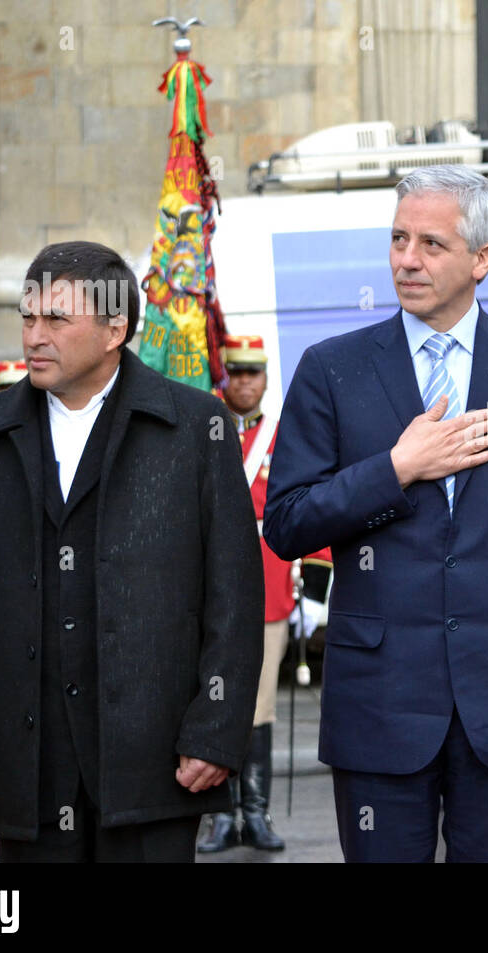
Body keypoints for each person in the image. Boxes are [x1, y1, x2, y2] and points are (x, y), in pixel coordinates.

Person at [263, 165, 488, 863]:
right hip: (378, 703)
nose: (406, 259)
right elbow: (287, 521)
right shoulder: (332, 369)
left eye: (430, 243)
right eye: (397, 239)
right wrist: (395, 469)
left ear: (482, 259)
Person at [0, 240, 264, 862]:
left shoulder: (196, 429)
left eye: (56, 319)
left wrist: (216, 729)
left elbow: (234, 598)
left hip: (156, 764)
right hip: (23, 765)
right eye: (28, 317)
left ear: (115, 330)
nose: (35, 336)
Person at [197, 334, 290, 853]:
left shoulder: (282, 434)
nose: (246, 382)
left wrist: (314, 583)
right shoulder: (206, 428)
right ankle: (221, 817)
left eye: (254, 373)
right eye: (238, 373)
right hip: (209, 582)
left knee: (259, 707)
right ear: (225, 377)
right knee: (213, 701)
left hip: (269, 582)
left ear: (266, 379)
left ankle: (254, 813)